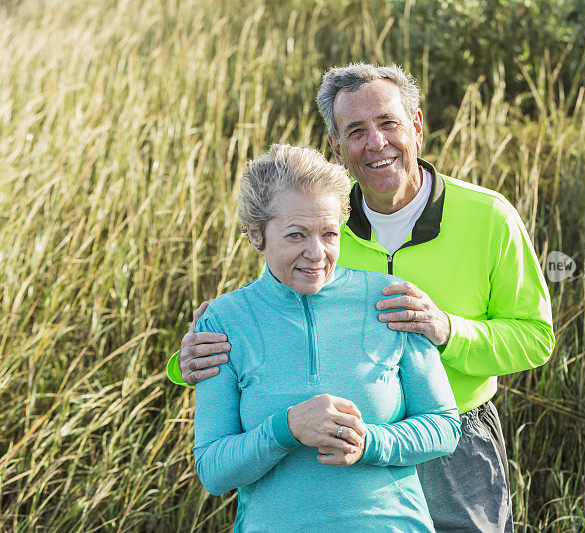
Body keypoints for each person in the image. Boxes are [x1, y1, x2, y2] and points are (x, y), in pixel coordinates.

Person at [173, 64, 555, 532]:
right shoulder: (318, 215)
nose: (375, 143)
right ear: (337, 148)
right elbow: (271, 327)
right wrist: (186, 360)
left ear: (416, 127)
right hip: (321, 461)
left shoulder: (490, 217)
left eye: (388, 123)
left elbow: (536, 337)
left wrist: (448, 330)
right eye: (356, 131)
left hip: (455, 437)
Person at [192, 143, 461, 532]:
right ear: (256, 234)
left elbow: (443, 426)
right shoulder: (224, 321)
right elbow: (213, 470)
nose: (316, 253)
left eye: (329, 234)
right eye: (297, 235)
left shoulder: (391, 299)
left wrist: (369, 442)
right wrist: (285, 429)